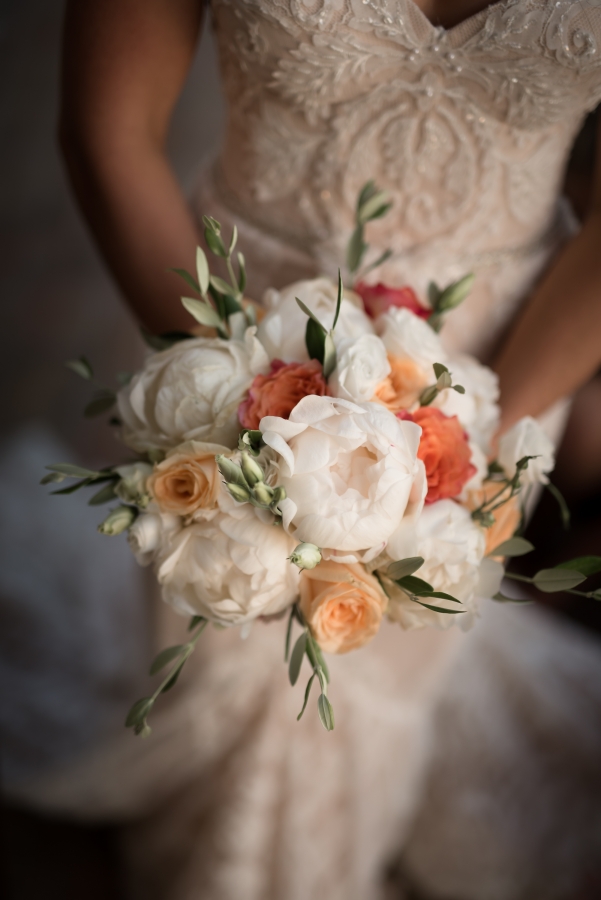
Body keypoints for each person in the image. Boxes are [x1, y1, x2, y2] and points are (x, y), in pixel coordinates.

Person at [12, 1, 601, 897]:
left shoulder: (486, 414)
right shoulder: (229, 371)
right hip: (225, 321)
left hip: (503, 366)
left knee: (387, 670)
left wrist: (463, 449)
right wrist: (236, 399)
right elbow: (108, 133)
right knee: (224, 637)